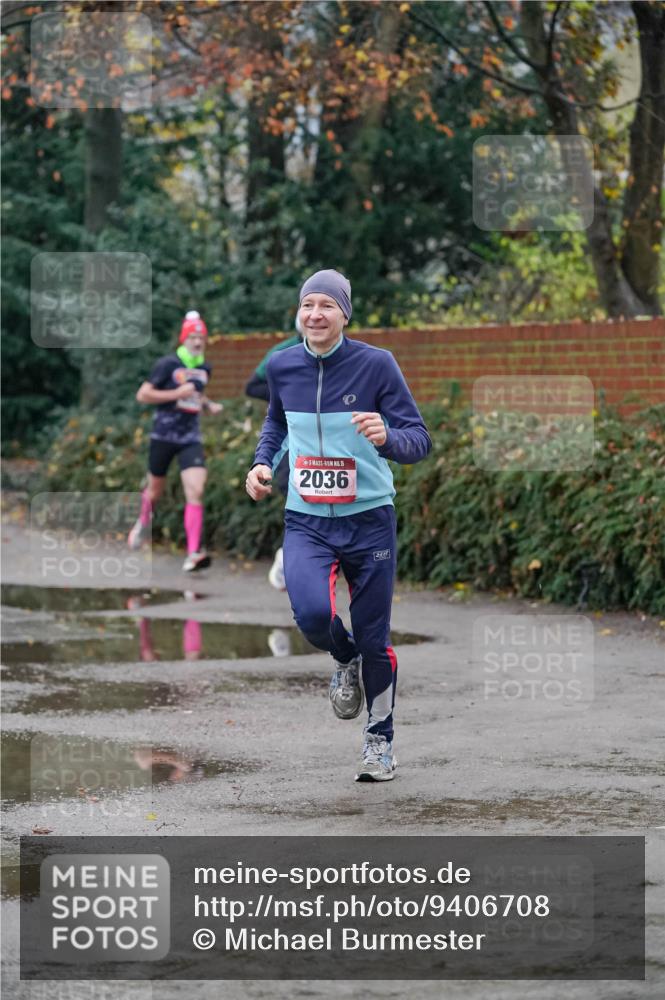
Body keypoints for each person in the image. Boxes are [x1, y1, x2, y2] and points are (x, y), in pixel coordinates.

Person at [246, 270, 431, 781]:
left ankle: (379, 742)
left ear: (344, 314)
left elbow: (419, 438)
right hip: (307, 519)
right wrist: (262, 464)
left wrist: (387, 436)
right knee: (309, 614)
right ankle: (341, 657)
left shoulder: (377, 366)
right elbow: (277, 424)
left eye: (328, 305)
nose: (316, 314)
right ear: (298, 313)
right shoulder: (283, 366)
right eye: (308, 305)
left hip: (369, 519)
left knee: (376, 638)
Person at [128, 310, 223, 572]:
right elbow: (143, 395)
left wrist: (208, 405)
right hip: (163, 435)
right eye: (192, 337)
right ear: (183, 339)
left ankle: (193, 553)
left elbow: (196, 396)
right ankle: (143, 521)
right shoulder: (167, 364)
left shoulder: (205, 368)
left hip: (190, 437)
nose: (196, 342)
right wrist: (175, 393)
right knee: (154, 490)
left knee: (196, 490)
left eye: (201, 338)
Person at [245, 331, 302, 591]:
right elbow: (252, 386)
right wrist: (288, 394)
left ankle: (296, 561)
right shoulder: (283, 353)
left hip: (330, 451)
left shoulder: (348, 357)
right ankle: (287, 559)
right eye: (307, 306)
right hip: (291, 444)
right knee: (299, 497)